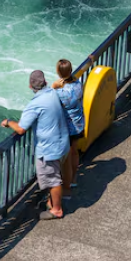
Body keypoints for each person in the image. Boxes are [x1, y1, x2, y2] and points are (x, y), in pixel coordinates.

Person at [1, 69, 70, 220]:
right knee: (55, 174)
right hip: (62, 141)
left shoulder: (35, 104)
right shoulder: (52, 92)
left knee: (53, 180)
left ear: (30, 86)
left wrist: (8, 122)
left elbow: (20, 129)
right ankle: (52, 203)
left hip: (49, 148)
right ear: (44, 82)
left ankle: (56, 210)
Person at [51, 58, 85, 198]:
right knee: (74, 152)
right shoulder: (77, 84)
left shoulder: (60, 92)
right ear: (71, 71)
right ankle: (74, 179)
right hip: (79, 123)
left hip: (67, 128)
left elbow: (47, 100)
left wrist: (53, 87)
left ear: (58, 72)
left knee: (66, 159)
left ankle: (67, 185)